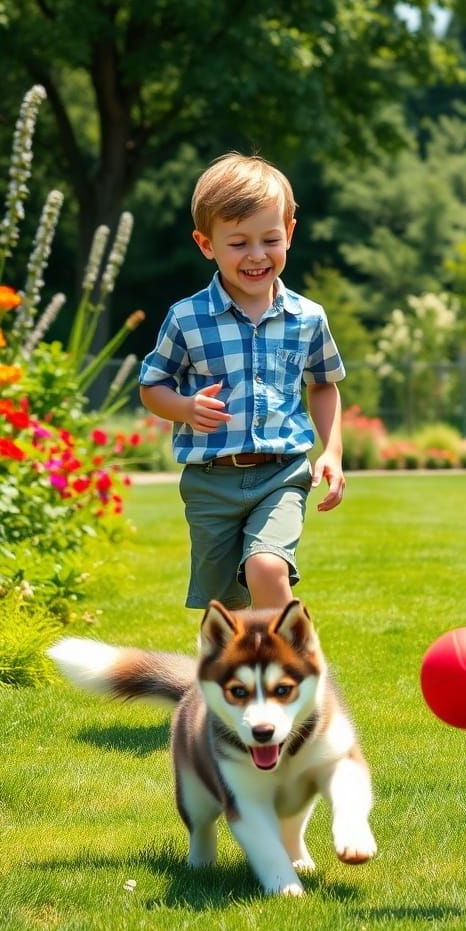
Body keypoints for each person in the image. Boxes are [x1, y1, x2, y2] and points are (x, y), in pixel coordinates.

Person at [138, 152, 345, 612]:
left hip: (282, 472)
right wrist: (186, 409)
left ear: (289, 232)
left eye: (270, 239)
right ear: (205, 243)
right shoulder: (187, 318)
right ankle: (225, 679)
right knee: (224, 609)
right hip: (211, 482)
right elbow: (152, 386)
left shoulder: (307, 318)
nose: (256, 255)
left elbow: (324, 383)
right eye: (238, 243)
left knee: (267, 567)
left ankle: (295, 668)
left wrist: (331, 451)